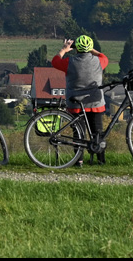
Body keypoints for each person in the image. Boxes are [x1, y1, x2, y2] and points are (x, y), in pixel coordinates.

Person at [52, 35, 109, 166]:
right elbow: (103, 56)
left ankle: (79, 161)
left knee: (78, 133)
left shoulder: (69, 62)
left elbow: (55, 61)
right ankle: (101, 160)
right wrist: (91, 49)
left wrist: (64, 49)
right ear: (90, 48)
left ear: (76, 48)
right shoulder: (99, 61)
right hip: (95, 102)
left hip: (76, 103)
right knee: (97, 132)